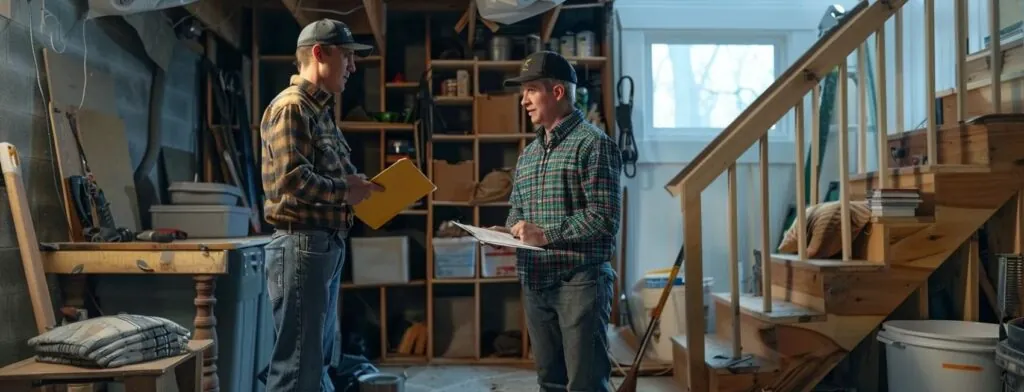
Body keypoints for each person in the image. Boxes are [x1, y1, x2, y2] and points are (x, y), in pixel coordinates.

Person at [259, 18, 382, 392]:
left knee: (316, 364)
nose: (352, 66)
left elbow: (332, 175)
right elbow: (292, 181)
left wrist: (359, 187)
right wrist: (346, 190)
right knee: (297, 368)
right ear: (319, 53)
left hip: (322, 245)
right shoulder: (292, 107)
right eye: (346, 56)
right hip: (302, 245)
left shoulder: (319, 112)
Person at [495, 51, 622, 392]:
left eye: (531, 90)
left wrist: (545, 235)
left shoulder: (594, 145)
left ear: (558, 93)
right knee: (549, 381)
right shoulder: (530, 153)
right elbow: (517, 210)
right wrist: (508, 232)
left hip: (579, 282)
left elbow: (605, 218)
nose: (523, 101)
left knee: (585, 384)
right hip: (536, 281)